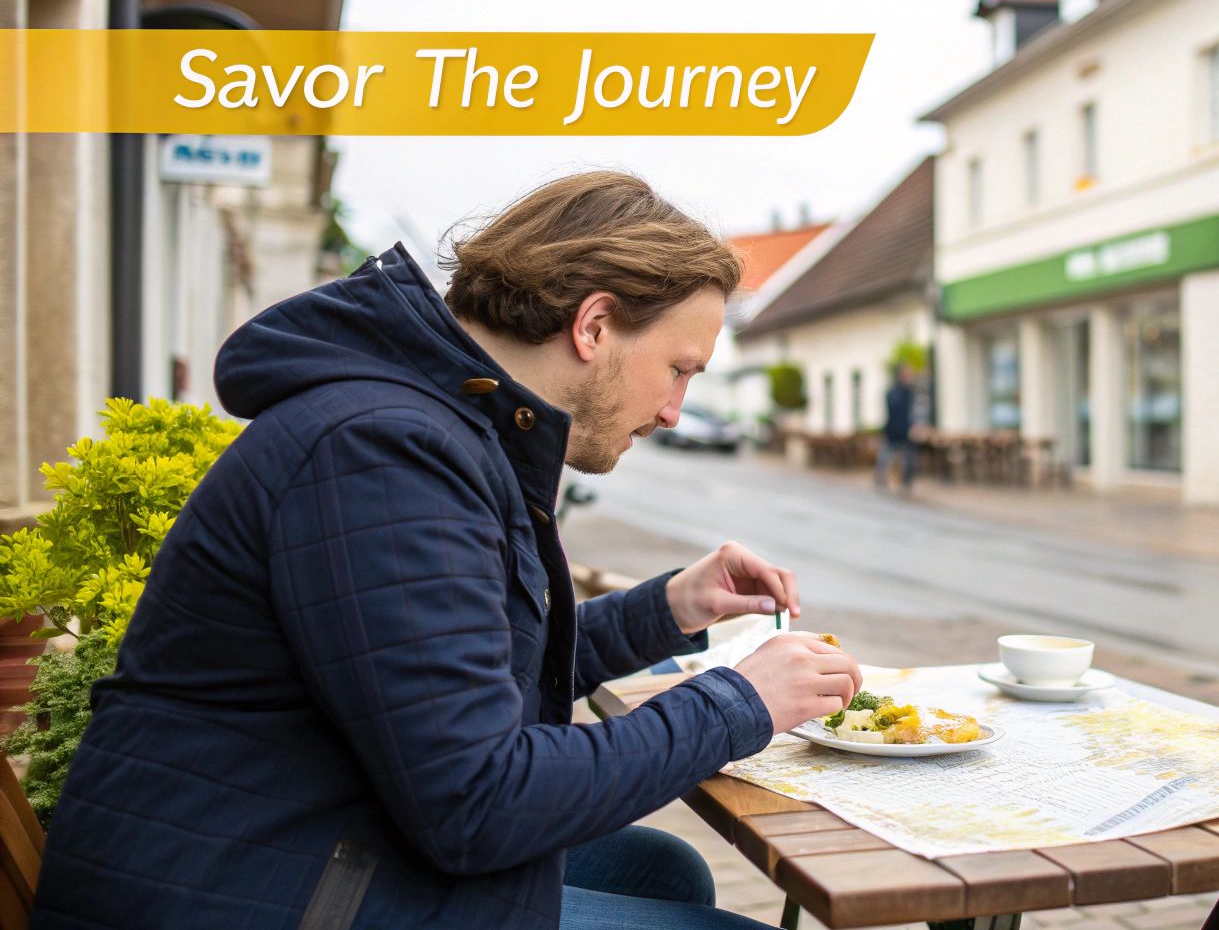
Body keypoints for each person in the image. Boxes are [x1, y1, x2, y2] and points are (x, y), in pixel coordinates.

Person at [31, 172, 864, 930]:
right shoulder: (382, 453)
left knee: (664, 867)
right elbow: (481, 804)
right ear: (595, 324)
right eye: (679, 368)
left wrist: (670, 608)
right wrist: (737, 702)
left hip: (322, 832)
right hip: (250, 887)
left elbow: (469, 670)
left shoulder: (436, 426)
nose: (677, 409)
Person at [874, 364, 919, 494]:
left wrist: (914, 427)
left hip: (907, 432)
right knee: (886, 457)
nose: (910, 377)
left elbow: (914, 411)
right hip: (894, 432)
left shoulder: (910, 393)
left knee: (909, 460)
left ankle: (906, 482)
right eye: (907, 375)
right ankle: (881, 478)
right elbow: (893, 411)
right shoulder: (894, 392)